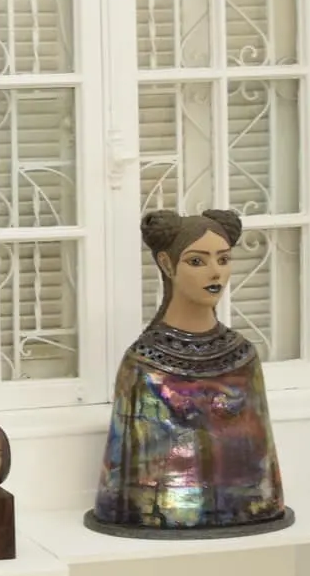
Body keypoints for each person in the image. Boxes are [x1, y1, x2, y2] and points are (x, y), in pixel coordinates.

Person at [90, 209, 286, 534]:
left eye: (223, 259)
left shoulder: (244, 358)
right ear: (167, 265)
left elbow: (259, 468)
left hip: (247, 520)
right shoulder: (143, 365)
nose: (215, 272)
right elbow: (128, 483)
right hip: (157, 524)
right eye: (197, 261)